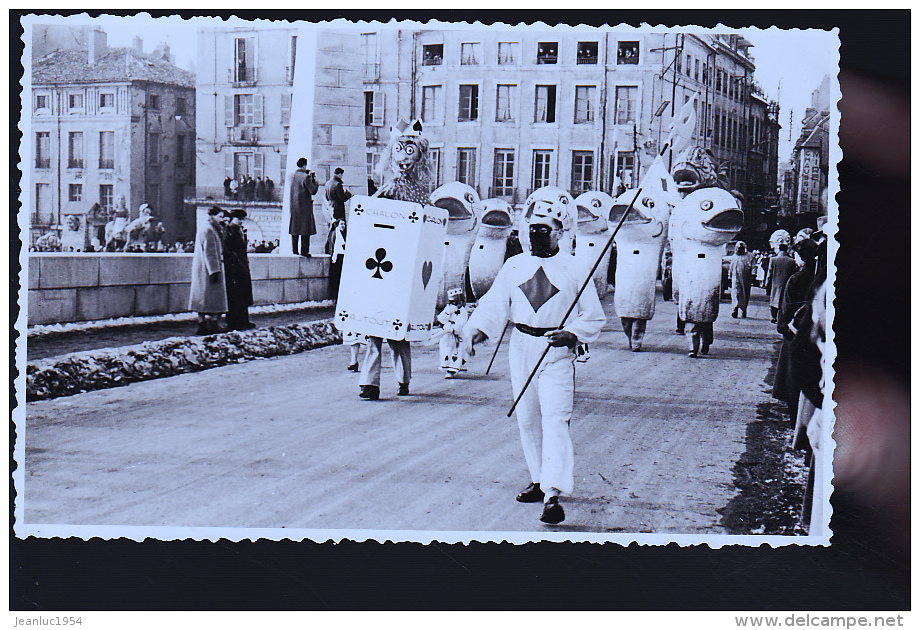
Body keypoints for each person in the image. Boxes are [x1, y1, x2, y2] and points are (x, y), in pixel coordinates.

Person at [463, 197, 606, 525]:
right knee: (527, 419)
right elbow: (495, 305)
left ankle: (553, 494)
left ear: (560, 232)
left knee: (555, 419)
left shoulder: (575, 268)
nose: (537, 236)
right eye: (532, 230)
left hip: (555, 352)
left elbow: (594, 317)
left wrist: (572, 334)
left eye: (545, 230)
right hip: (522, 347)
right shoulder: (515, 266)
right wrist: (476, 332)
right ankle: (540, 478)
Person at [358, 121, 432, 400]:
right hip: (381, 266)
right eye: (398, 150)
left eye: (408, 150)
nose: (402, 157)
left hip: (405, 267)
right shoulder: (386, 189)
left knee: (398, 334)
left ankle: (402, 380)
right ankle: (370, 383)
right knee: (375, 331)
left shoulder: (421, 193)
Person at [772, 238, 820, 425]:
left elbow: (786, 309)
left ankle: (795, 421)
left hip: (795, 332)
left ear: (800, 257)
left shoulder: (796, 278)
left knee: (792, 378)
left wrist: (783, 327)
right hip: (814, 332)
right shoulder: (819, 277)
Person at [189, 206, 228, 335]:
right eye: (220, 217)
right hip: (208, 270)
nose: (221, 220)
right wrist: (214, 271)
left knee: (203, 299)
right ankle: (213, 323)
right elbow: (210, 252)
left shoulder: (205, 227)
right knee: (214, 298)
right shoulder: (209, 230)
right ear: (212, 216)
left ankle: (202, 324)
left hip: (202, 269)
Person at [222, 208, 255, 331]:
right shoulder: (230, 230)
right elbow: (229, 250)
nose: (241, 221)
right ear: (233, 219)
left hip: (241, 266)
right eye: (239, 219)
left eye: (242, 219)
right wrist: (237, 263)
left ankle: (244, 320)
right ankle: (235, 322)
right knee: (236, 295)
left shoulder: (238, 230)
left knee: (243, 294)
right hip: (235, 267)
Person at [432, 287, 470, 378]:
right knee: (446, 350)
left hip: (456, 335)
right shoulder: (448, 308)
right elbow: (441, 318)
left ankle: (452, 369)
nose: (453, 304)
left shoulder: (463, 312)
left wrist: (455, 329)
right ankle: (446, 366)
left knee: (456, 351)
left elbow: (462, 322)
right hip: (447, 335)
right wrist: (447, 312)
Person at [288, 157, 319, 256]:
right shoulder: (305, 177)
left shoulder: (291, 176)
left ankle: (295, 251)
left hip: (294, 207)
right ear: (305, 165)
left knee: (295, 229)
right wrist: (314, 180)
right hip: (304, 208)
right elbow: (313, 191)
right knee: (305, 230)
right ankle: (304, 251)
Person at [765, 243, 798, 323]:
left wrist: (767, 283)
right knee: (783, 301)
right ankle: (781, 317)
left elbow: (769, 274)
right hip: (787, 284)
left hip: (775, 284)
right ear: (786, 250)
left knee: (774, 301)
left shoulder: (773, 260)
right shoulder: (792, 261)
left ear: (779, 249)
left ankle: (773, 317)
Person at [729, 241, 754, 318]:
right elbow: (731, 267)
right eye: (738, 248)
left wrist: (753, 275)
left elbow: (753, 267)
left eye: (741, 248)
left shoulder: (750, 256)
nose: (740, 250)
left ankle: (744, 309)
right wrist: (729, 276)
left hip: (746, 278)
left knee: (744, 294)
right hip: (735, 278)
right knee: (736, 292)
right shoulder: (734, 257)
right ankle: (735, 309)